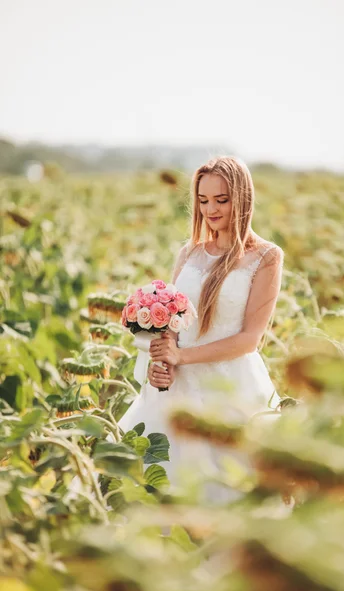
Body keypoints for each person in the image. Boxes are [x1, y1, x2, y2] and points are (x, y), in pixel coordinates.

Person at [118, 156, 284, 502]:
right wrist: (161, 364)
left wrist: (182, 356)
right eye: (204, 200)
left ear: (243, 199)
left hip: (231, 385)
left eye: (221, 200)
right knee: (157, 477)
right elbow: (172, 326)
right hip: (178, 384)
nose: (211, 209)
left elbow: (249, 339)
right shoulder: (189, 252)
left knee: (227, 485)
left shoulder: (266, 257)